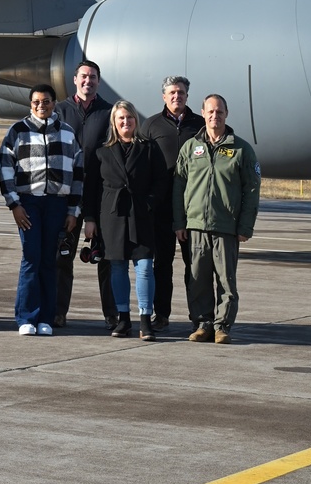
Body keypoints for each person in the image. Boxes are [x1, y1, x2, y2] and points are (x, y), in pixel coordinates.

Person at [174, 94, 260, 345]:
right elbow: (179, 186)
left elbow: (252, 191)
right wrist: (179, 222)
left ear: (226, 114)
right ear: (202, 113)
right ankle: (203, 324)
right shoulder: (191, 147)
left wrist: (245, 226)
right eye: (210, 111)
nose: (215, 116)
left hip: (227, 227)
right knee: (197, 279)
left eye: (219, 112)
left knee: (226, 281)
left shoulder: (241, 149)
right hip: (196, 226)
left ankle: (222, 327)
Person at [0, 85, 82, 336]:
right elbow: (5, 168)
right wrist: (14, 204)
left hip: (57, 203)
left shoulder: (67, 133)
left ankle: (45, 317)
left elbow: (78, 173)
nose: (41, 106)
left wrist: (73, 210)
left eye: (46, 101)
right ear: (30, 104)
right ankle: (26, 316)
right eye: (36, 102)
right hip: (29, 203)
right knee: (31, 258)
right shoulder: (18, 131)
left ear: (54, 103)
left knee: (50, 260)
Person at [83, 100, 161, 340]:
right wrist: (90, 219)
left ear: (136, 120)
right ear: (114, 123)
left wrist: (148, 204)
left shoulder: (148, 148)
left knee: (145, 267)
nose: (126, 122)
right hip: (112, 216)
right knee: (117, 267)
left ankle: (145, 319)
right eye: (121, 119)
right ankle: (123, 318)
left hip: (141, 215)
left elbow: (161, 182)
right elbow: (92, 188)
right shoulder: (102, 151)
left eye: (129, 118)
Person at [55, 60, 115, 328]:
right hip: (67, 196)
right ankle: (58, 312)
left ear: (98, 82)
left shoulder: (109, 112)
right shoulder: (60, 110)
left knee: (106, 257)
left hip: (101, 195)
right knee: (63, 256)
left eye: (93, 77)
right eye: (83, 76)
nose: (88, 81)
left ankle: (112, 314)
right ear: (75, 79)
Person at [140, 76, 204, 328]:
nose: (177, 96)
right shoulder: (151, 126)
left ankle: (198, 315)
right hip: (162, 208)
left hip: (194, 207)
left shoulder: (200, 126)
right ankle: (162, 314)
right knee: (162, 264)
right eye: (172, 93)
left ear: (187, 96)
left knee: (195, 266)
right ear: (164, 97)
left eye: (181, 93)